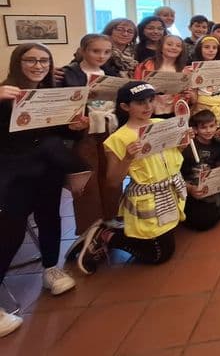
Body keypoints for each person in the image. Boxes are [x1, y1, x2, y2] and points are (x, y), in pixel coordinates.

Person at [1, 44, 87, 337]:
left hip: (48, 169)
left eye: (44, 61)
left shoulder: (52, 93)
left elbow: (59, 131)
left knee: (50, 217)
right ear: (18, 62)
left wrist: (76, 127)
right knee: (10, 231)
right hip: (13, 173)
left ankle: (51, 268)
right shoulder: (5, 93)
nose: (38, 66)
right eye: (31, 60)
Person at [75, 82, 191, 275]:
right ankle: (106, 235)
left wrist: (184, 141)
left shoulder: (161, 124)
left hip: (169, 190)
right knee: (160, 254)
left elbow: (174, 154)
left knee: (166, 236)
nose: (147, 106)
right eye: (140, 102)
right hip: (147, 196)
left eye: (150, 100)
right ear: (125, 106)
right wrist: (128, 157)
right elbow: (113, 181)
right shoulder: (118, 138)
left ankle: (119, 231)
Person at [59, 34, 125, 235]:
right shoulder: (69, 74)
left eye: (106, 52)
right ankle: (90, 225)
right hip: (83, 132)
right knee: (87, 178)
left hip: (109, 127)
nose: (101, 56)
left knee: (111, 174)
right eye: (96, 51)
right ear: (83, 50)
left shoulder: (111, 73)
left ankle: (112, 216)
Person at [180, 109, 220, 231]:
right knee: (204, 222)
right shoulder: (188, 148)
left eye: (212, 126)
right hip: (193, 187)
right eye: (203, 128)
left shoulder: (218, 144)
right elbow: (179, 176)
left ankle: (215, 208)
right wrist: (190, 189)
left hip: (214, 185)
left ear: (216, 126)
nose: (209, 130)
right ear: (195, 130)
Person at [133, 35, 191, 117]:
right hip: (149, 111)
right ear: (161, 47)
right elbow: (135, 87)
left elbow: (187, 96)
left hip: (174, 112)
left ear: (182, 50)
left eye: (178, 46)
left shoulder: (185, 71)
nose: (174, 48)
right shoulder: (145, 65)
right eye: (169, 44)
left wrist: (187, 94)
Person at [190, 36, 220, 122]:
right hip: (203, 110)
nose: (211, 50)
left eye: (214, 48)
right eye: (206, 47)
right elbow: (193, 98)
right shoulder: (193, 69)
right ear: (199, 49)